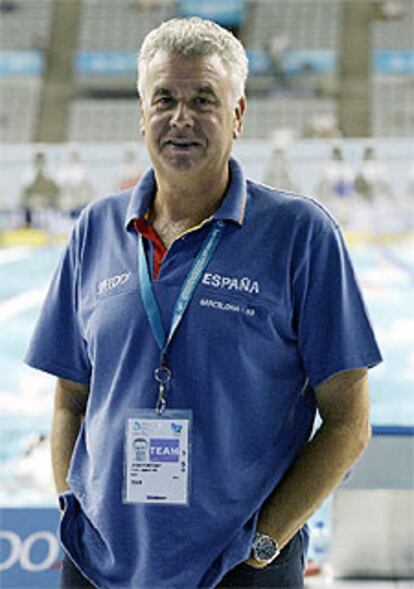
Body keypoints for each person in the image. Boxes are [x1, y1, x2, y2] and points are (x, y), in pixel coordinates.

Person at [25, 17, 382, 589]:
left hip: (239, 568)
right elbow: (70, 398)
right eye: (163, 98)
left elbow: (349, 420)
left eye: (203, 99)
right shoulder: (96, 229)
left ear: (237, 115)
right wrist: (73, 507)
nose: (181, 117)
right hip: (98, 565)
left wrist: (264, 545)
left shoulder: (299, 234)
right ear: (141, 114)